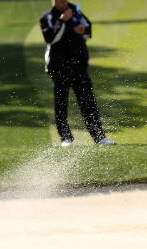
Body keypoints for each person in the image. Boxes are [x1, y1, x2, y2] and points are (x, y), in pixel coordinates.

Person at [39, 0, 116, 147]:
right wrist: (62, 21)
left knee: (88, 103)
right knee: (61, 104)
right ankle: (66, 138)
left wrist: (83, 30)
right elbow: (50, 38)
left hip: (79, 66)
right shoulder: (48, 17)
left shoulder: (75, 10)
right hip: (59, 68)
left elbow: (88, 30)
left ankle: (99, 137)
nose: (62, 1)